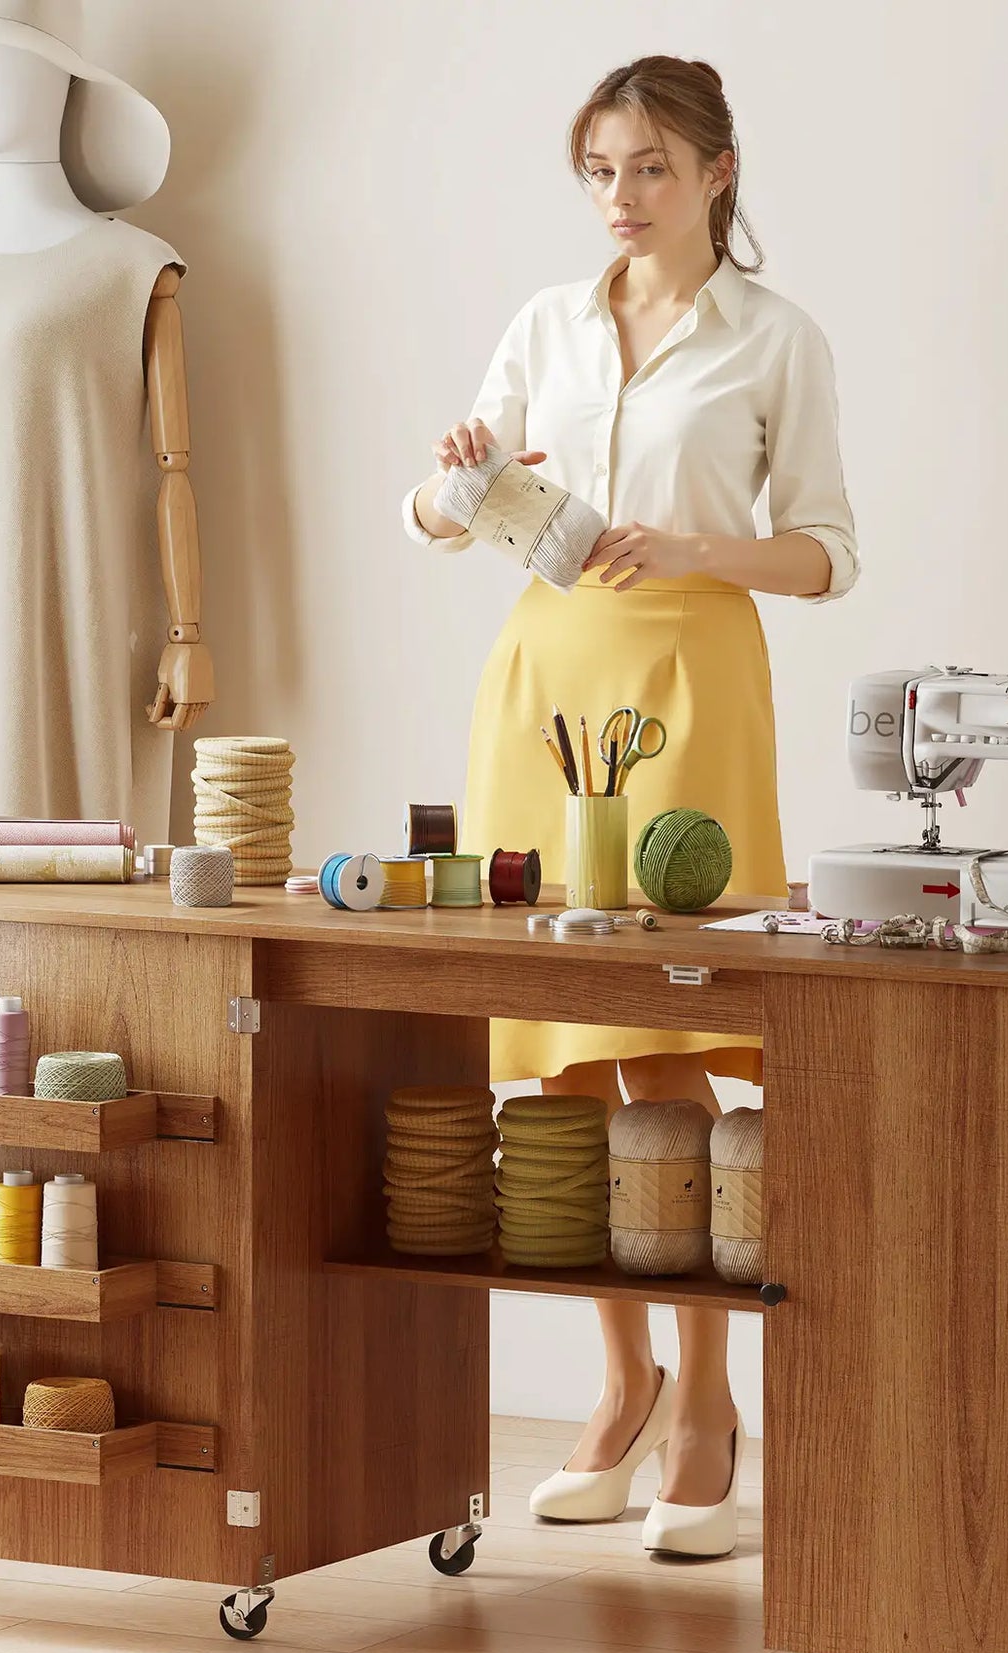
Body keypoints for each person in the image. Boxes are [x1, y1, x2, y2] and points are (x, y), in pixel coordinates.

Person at [402, 55, 857, 1557]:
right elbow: (438, 517)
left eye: (651, 167)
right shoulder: (545, 325)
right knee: (553, 1052)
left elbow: (826, 553)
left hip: (691, 677)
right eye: (600, 170)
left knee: (662, 1038)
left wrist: (690, 549)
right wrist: (459, 477)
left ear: (717, 172)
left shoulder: (774, 339)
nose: (621, 197)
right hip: (542, 679)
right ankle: (621, 1383)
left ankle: (711, 1404)